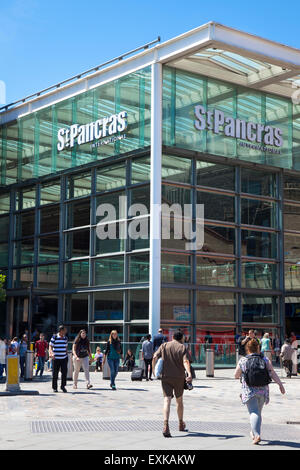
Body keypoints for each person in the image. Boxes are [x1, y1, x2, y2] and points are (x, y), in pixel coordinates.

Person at [234, 338, 285, 445]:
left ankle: (256, 435)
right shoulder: (265, 360)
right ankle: (254, 432)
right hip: (263, 390)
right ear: (258, 348)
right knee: (258, 413)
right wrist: (280, 384)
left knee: (253, 412)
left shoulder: (243, 360)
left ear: (247, 349)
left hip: (249, 390)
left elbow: (236, 375)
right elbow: (272, 373)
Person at [152, 330, 192, 438]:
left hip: (166, 377)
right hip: (179, 377)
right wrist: (189, 373)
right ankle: (180, 424)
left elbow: (155, 356)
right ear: (181, 338)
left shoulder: (164, 345)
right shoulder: (182, 347)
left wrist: (153, 370)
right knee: (179, 401)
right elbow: (186, 361)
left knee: (167, 400)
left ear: (173, 337)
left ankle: (165, 425)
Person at [49, 325, 68, 393]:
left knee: (64, 373)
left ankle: (63, 386)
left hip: (64, 358)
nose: (65, 331)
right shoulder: (54, 337)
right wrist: (51, 354)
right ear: (61, 331)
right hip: (56, 358)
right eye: (64, 330)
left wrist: (66, 355)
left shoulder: (65, 338)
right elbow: (50, 346)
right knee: (55, 374)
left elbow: (66, 347)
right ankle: (54, 387)